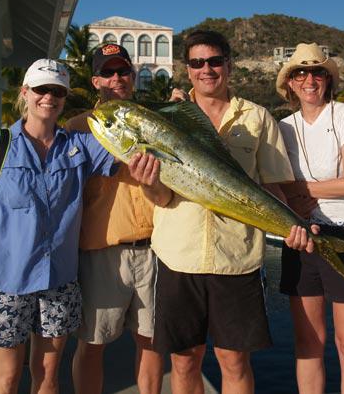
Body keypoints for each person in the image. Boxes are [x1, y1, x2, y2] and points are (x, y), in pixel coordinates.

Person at [130, 29, 312, 394]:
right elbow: (162, 198)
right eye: (197, 63)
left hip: (237, 258)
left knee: (234, 360)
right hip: (180, 257)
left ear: (228, 65)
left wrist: (297, 224)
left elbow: (274, 187)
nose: (206, 70)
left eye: (214, 61)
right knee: (183, 361)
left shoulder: (258, 118)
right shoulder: (169, 117)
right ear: (187, 69)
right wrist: (148, 182)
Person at [0, 59, 117, 394]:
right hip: (4, 278)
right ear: (25, 93)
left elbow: (128, 147)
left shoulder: (79, 145)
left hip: (58, 278)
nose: (49, 97)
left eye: (58, 91)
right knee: (7, 377)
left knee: (47, 376)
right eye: (42, 89)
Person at [275, 42, 344, 394]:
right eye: (300, 73)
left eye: (318, 72)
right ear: (290, 82)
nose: (309, 79)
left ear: (328, 79)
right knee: (308, 345)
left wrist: (303, 192)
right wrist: (295, 198)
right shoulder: (282, 127)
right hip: (301, 237)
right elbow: (276, 186)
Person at [65, 44, 164, 394]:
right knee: (92, 343)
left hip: (156, 249)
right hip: (101, 252)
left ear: (134, 78)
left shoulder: (156, 125)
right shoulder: (76, 129)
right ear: (95, 80)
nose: (116, 78)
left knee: (151, 341)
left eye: (123, 71)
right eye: (108, 72)